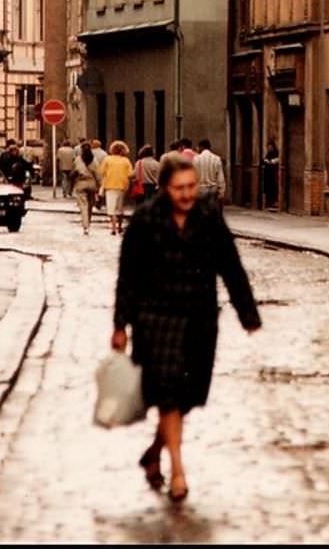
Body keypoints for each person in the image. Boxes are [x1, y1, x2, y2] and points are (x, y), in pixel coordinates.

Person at [112, 156, 261, 502]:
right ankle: (177, 470)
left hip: (199, 319)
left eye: (191, 186)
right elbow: (127, 277)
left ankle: (154, 452)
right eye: (179, 188)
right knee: (167, 394)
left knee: (189, 396)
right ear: (165, 188)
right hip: (156, 319)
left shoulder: (209, 217)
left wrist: (248, 314)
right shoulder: (146, 220)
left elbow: (231, 266)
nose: (187, 194)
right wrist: (120, 325)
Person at [101, 140, 134, 236]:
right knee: (120, 208)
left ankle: (113, 228)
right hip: (122, 186)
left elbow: (102, 172)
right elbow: (130, 174)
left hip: (110, 185)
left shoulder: (107, 159)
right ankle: (119, 226)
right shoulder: (126, 161)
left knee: (111, 208)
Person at [72, 141, 99, 235]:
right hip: (92, 183)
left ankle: (85, 226)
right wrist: (99, 185)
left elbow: (75, 171)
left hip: (81, 183)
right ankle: (88, 222)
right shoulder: (94, 160)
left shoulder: (78, 159)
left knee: (83, 206)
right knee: (90, 206)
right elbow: (97, 174)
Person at [193, 139, 226, 210]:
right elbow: (220, 177)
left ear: (201, 147)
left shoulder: (196, 159)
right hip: (212, 190)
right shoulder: (216, 159)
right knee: (212, 211)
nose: (197, 149)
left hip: (200, 190)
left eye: (198, 147)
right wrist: (221, 192)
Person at [262, 139, 280, 209]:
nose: (269, 148)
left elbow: (276, 160)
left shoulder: (276, 153)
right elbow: (265, 160)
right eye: (268, 147)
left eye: (270, 147)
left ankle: (274, 202)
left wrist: (271, 162)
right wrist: (266, 161)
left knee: (273, 188)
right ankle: (269, 203)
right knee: (268, 189)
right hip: (268, 174)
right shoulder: (268, 154)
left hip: (273, 174)